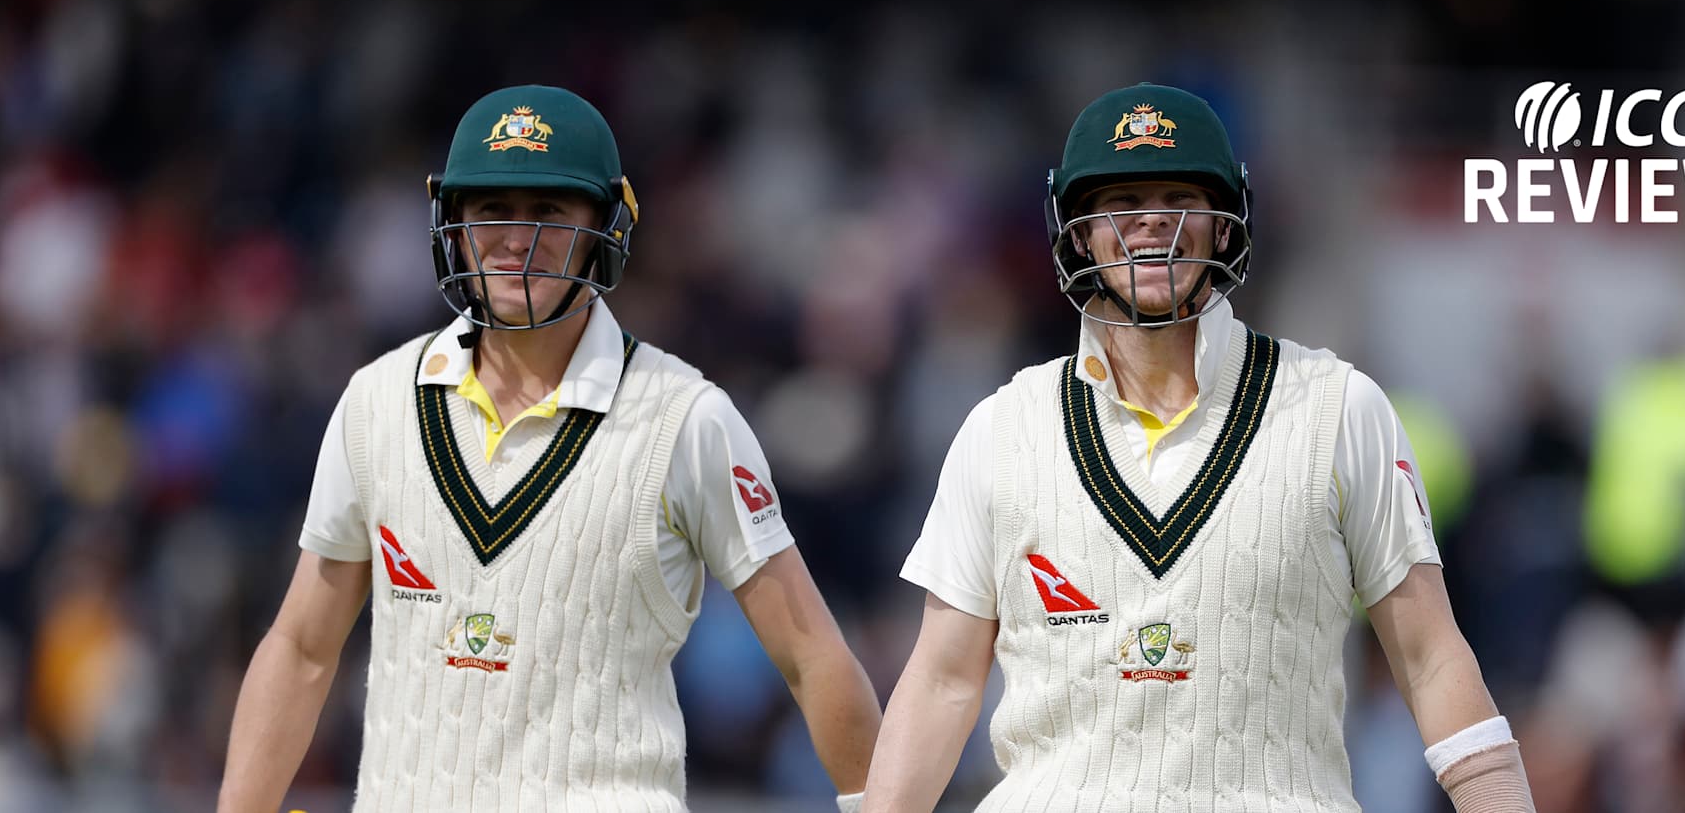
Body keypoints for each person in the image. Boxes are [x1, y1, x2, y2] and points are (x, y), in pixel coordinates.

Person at [862, 83, 1534, 812]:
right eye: (1122, 200)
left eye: (1180, 196)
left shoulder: (1339, 408)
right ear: (1079, 233)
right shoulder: (1001, 429)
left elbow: (1429, 659)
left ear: (1222, 226)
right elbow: (942, 681)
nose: (1152, 218)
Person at [219, 84, 882, 813]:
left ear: (606, 227)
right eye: (492, 210)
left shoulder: (687, 418)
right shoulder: (376, 402)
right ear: (453, 224)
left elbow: (812, 656)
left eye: (549, 212)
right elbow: (302, 648)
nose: (516, 240)